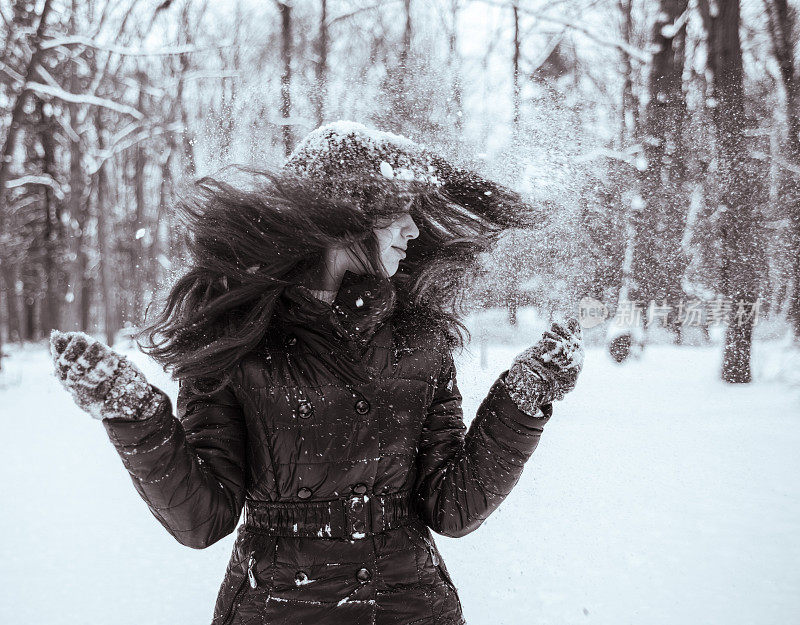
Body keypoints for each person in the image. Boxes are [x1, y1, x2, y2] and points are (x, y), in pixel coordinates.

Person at [50, 121, 584, 625]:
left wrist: (523, 399)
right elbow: (201, 518)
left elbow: (452, 506)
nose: (414, 229)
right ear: (344, 214)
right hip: (276, 606)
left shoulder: (419, 340)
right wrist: (133, 413)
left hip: (410, 606)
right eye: (397, 211)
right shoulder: (236, 342)